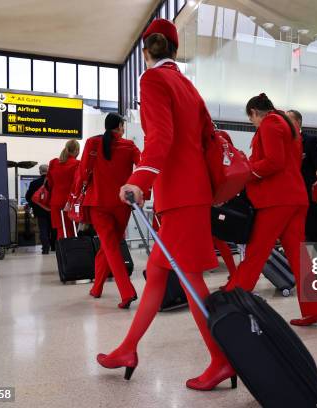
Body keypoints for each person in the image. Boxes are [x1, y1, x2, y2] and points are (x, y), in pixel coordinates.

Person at [97, 19, 234, 391]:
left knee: (190, 283)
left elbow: (161, 137)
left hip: (180, 197)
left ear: (147, 51)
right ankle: (127, 349)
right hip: (192, 193)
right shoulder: (188, 86)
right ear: (174, 50)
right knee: (158, 277)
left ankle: (222, 360)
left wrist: (139, 180)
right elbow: (204, 138)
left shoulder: (153, 80)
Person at [224, 93, 317, 327]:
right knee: (300, 259)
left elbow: (273, 162)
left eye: (251, 120)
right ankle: (316, 311)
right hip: (295, 197)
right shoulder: (286, 124)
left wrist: (246, 171)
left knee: (255, 253)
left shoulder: (270, 124)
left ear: (253, 113)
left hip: (277, 200)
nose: (253, 124)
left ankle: (232, 304)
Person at [75, 113, 140, 308]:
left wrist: (76, 196)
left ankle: (126, 291)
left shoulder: (92, 143)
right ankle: (97, 288)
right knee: (109, 246)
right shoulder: (130, 146)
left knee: (109, 247)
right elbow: (143, 165)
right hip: (122, 204)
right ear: (119, 126)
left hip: (98, 203)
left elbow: (83, 171)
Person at [286, 109, 317, 242]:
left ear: (297, 122)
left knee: (312, 229)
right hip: (289, 193)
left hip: (308, 193)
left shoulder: (311, 140)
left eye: (288, 119)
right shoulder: (284, 141)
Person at [46, 140, 80, 240]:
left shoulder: (53, 163)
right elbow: (78, 184)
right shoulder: (78, 164)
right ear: (77, 150)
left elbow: (50, 183)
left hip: (56, 202)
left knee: (61, 231)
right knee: (72, 230)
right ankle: (72, 254)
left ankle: (62, 254)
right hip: (71, 202)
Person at [25, 164, 52, 254]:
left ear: (40, 172)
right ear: (48, 171)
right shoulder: (52, 183)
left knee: (43, 228)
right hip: (52, 209)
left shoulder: (34, 183)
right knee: (53, 228)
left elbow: (28, 197)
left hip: (40, 210)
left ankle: (45, 248)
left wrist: (34, 205)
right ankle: (54, 247)